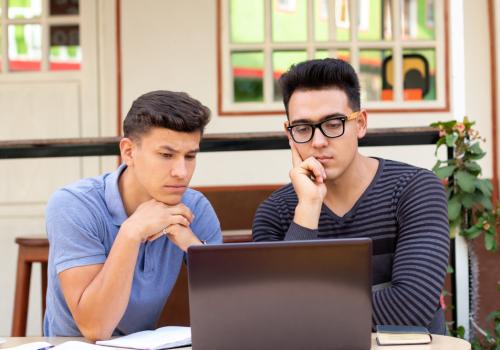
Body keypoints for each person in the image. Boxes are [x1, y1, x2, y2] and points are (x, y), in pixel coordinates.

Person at [252, 58, 450, 334]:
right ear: (289, 133)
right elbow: (275, 315)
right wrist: (308, 207)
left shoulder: (414, 189)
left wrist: (302, 308)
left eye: (333, 123)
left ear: (361, 123)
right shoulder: (276, 213)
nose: (318, 141)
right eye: (302, 128)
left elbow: (410, 307)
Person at [44, 90, 222, 339]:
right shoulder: (73, 205)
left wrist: (192, 245)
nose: (182, 172)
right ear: (128, 152)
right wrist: (131, 233)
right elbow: (95, 328)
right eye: (166, 155)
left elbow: (230, 307)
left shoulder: (195, 207)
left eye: (190, 156)